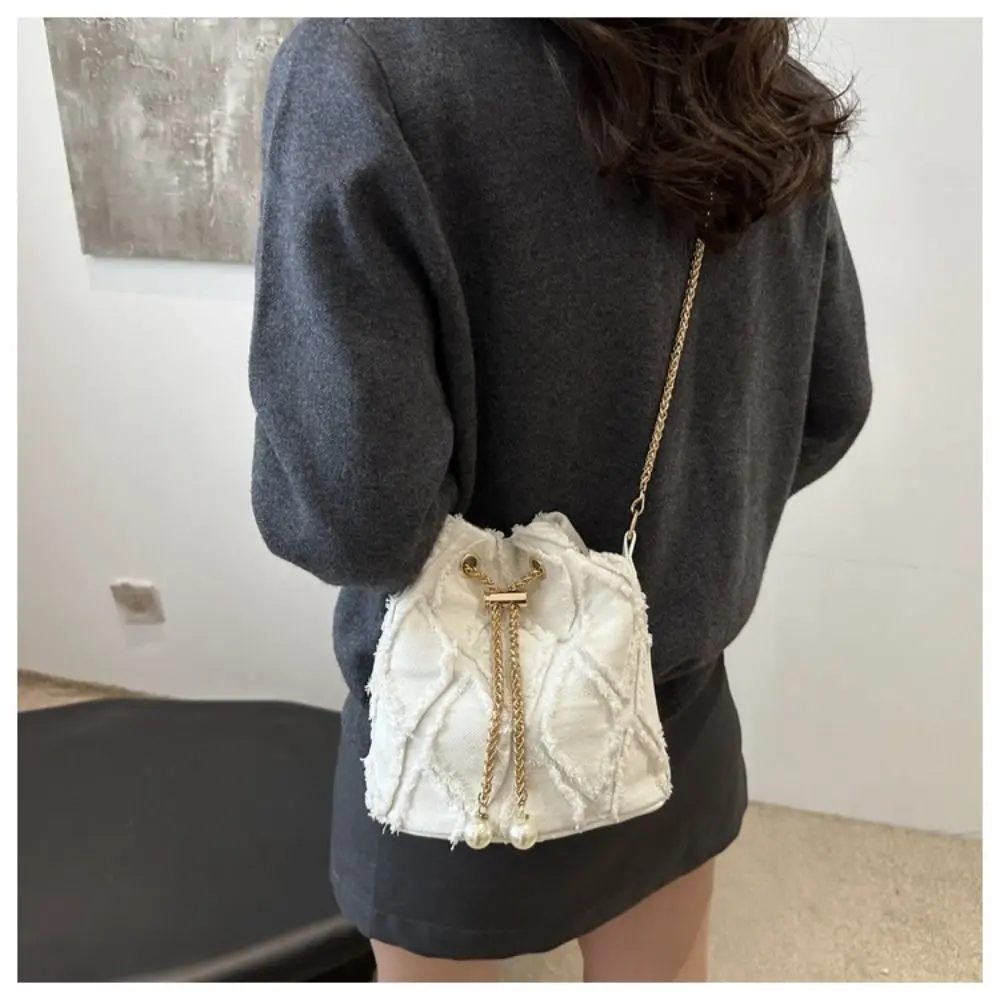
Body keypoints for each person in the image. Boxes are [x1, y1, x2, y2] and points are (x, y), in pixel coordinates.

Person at [248, 17, 871, 983]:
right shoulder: (759, 83)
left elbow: (356, 518)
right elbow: (832, 401)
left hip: (457, 726)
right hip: (671, 713)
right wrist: (691, 537)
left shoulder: (363, 68)